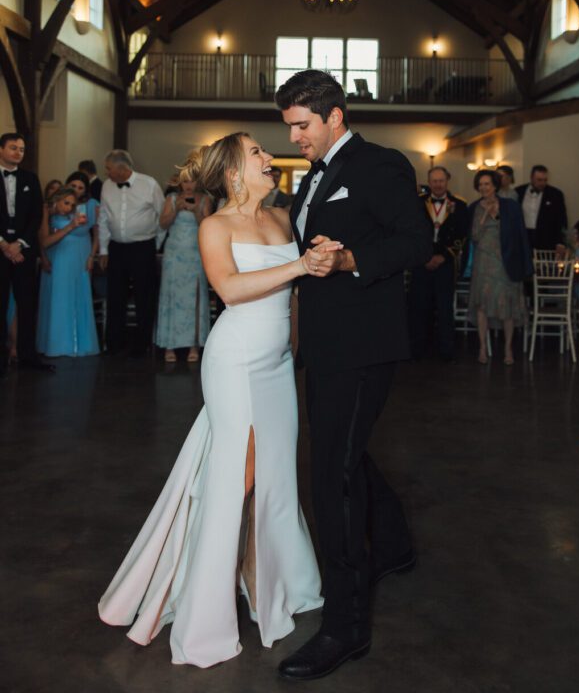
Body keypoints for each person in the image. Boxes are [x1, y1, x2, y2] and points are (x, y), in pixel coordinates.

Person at [99, 132, 325, 666]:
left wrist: (294, 346)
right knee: (238, 476)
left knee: (275, 474)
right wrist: (300, 267)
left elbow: (291, 300)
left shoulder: (281, 219)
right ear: (232, 173)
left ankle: (263, 575)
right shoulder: (214, 226)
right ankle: (205, 588)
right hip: (236, 362)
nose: (270, 158)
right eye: (258, 155)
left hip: (275, 364)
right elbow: (229, 289)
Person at [275, 70, 432, 681]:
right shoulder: (312, 175)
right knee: (345, 453)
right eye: (288, 126)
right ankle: (393, 545)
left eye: (302, 125)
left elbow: (417, 241)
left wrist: (351, 259)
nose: (294, 137)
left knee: (331, 475)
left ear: (335, 116)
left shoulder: (380, 165)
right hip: (325, 342)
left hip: (365, 343)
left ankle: (345, 626)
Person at [98, 150, 165, 357]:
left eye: (109, 168)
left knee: (144, 296)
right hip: (116, 247)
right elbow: (103, 219)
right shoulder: (106, 186)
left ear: (121, 168)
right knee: (115, 295)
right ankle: (114, 344)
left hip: (143, 246)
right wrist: (103, 249)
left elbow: (163, 215)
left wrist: (155, 245)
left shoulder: (149, 184)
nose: (106, 172)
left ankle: (141, 345)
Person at [468, 169, 532, 366]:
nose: (483, 188)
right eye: (480, 185)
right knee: (482, 305)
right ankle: (482, 348)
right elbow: (474, 237)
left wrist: (525, 263)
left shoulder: (510, 206)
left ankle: (508, 349)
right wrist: (485, 214)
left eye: (487, 184)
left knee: (507, 306)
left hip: (506, 262)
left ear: (495, 185)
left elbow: (521, 235)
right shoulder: (473, 208)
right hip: (483, 262)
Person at [0, 132, 50, 375]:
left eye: (21, 149)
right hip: (0, 249)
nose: (18, 152)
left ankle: (28, 356)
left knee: (27, 303)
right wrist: (4, 244)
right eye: (13, 148)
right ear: (1, 149)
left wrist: (19, 243)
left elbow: (35, 216)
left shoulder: (30, 178)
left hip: (23, 251)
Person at [156, 150, 212, 364]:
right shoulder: (170, 199)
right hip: (174, 254)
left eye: (192, 182)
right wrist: (176, 210)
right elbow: (162, 225)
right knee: (171, 295)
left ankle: (193, 344)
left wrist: (195, 209)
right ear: (180, 183)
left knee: (194, 298)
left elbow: (207, 226)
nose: (188, 186)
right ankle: (169, 344)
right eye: (185, 181)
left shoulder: (205, 200)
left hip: (195, 254)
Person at [408, 165, 468, 361]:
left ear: (447, 181)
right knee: (419, 307)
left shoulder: (459, 205)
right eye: (434, 181)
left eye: (441, 180)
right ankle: (418, 349)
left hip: (445, 262)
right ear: (429, 181)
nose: (438, 184)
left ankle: (446, 350)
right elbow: (411, 232)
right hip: (421, 262)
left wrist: (444, 256)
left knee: (444, 307)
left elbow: (462, 235)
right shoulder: (417, 203)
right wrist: (424, 257)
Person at [36, 186, 99, 359]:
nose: (69, 207)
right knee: (59, 299)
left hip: (77, 260)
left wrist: (91, 254)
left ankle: (79, 343)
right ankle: (57, 343)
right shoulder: (47, 214)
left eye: (72, 204)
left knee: (78, 298)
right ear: (56, 201)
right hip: (58, 259)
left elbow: (94, 231)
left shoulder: (77, 215)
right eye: (66, 203)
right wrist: (70, 227)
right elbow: (45, 242)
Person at [516, 164, 567, 251]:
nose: (542, 183)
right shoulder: (518, 192)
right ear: (531, 178)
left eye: (545, 180)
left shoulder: (555, 194)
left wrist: (560, 241)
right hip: (523, 236)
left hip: (546, 238)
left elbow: (561, 219)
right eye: (539, 180)